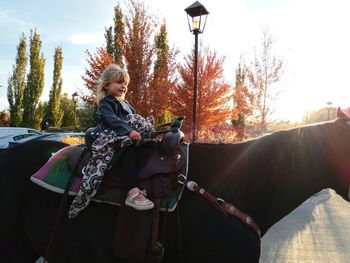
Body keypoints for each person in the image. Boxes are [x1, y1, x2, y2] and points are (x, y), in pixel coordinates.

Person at [68, 64, 154, 219]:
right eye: (119, 82)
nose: (123, 86)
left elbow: (134, 120)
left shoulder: (126, 105)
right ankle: (132, 192)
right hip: (109, 135)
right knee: (127, 152)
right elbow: (112, 120)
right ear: (107, 85)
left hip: (125, 134)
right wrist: (129, 131)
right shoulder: (106, 103)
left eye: (125, 84)